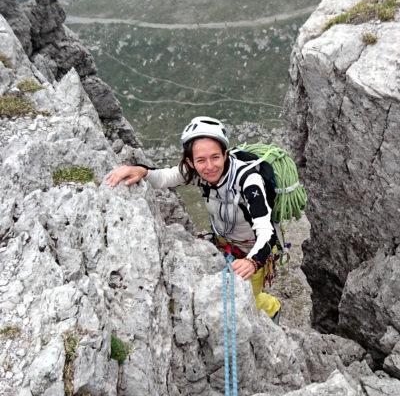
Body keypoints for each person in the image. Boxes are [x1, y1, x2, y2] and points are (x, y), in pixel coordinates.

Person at [105, 116, 282, 322]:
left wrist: (252, 261)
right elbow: (165, 177)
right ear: (190, 161)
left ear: (225, 154)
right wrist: (141, 170)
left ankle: (273, 309)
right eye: (200, 160)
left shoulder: (248, 180)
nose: (209, 166)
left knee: (248, 299)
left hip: (255, 248)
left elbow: (266, 230)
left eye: (215, 157)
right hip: (224, 242)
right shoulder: (197, 172)